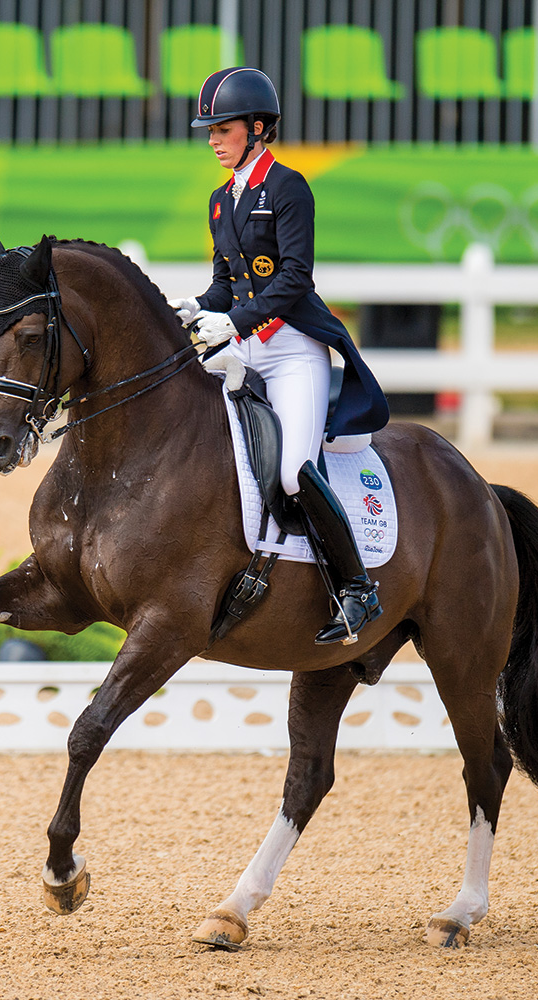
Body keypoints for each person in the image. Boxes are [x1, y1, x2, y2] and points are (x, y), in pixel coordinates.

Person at [167, 67, 390, 645]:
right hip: (244, 345)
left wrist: (235, 320)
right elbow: (226, 282)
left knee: (294, 471)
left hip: (291, 350)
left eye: (223, 128)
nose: (213, 139)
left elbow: (294, 279)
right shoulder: (221, 201)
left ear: (257, 128)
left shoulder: (289, 188)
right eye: (208, 130)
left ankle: (357, 590)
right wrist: (197, 305)